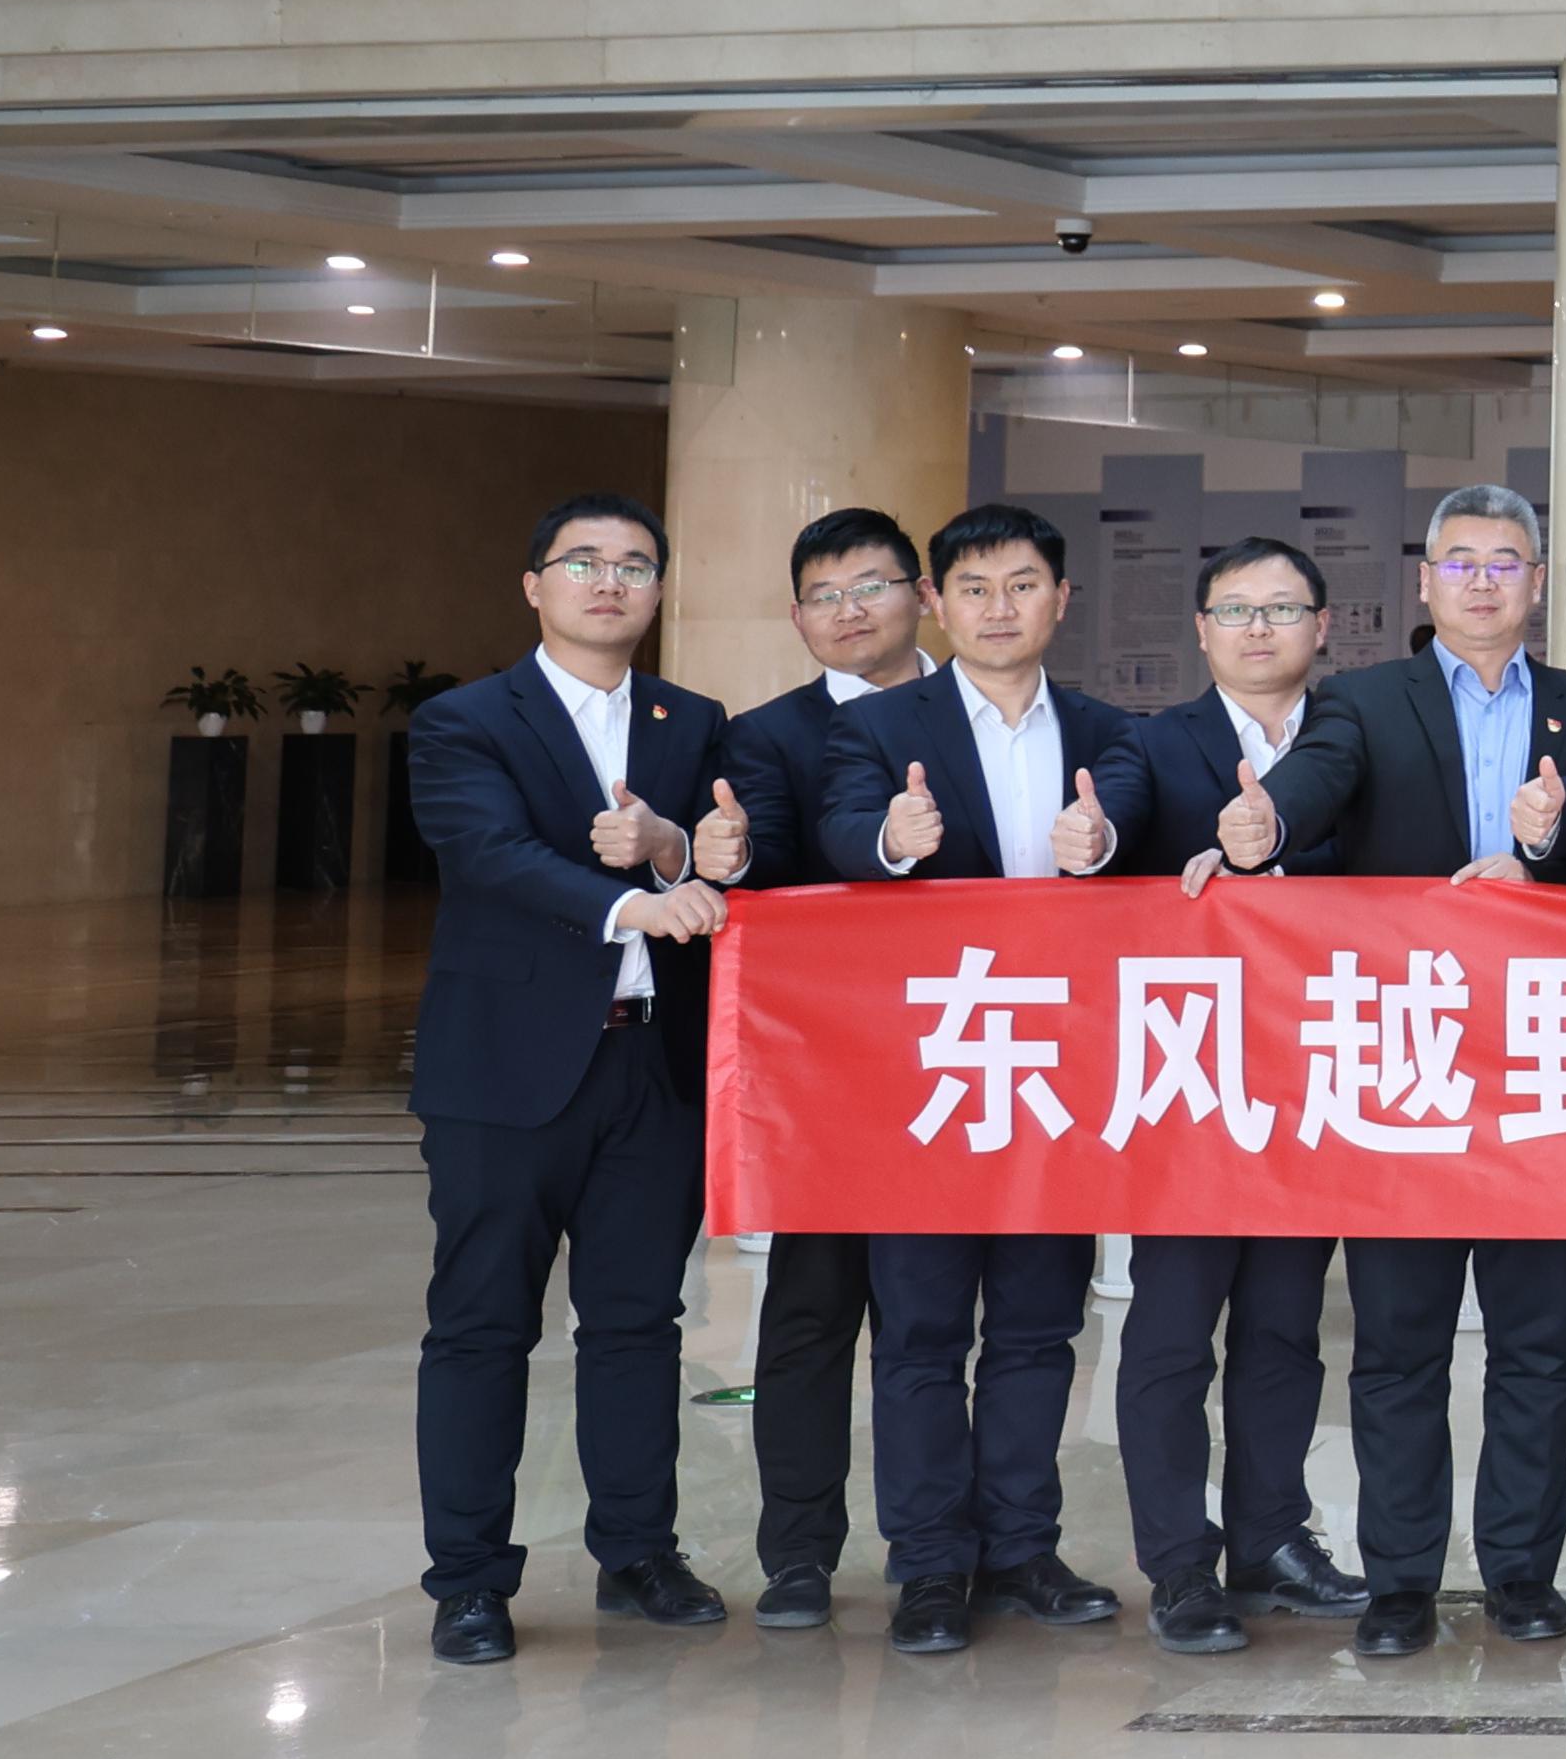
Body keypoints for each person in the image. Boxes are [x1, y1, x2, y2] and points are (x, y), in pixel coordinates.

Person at [403, 492, 747, 1664]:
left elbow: (727, 854)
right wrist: (630, 904)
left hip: (652, 1063)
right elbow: (490, 855)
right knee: (482, 1324)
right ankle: (467, 1580)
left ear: (659, 589)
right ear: (534, 584)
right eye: (584, 561)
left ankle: (638, 1551)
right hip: (504, 1070)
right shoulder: (464, 721)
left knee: (639, 1324)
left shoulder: (692, 720)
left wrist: (676, 850)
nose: (610, 582)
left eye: (635, 565)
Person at [823, 501, 1157, 1658]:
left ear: (1061, 599)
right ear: (935, 603)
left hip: (1055, 1076)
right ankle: (928, 1564)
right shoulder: (878, 728)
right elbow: (839, 832)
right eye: (973, 587)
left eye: (1022, 584)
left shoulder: (1110, 733)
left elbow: (1136, 833)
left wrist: (1099, 847)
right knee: (919, 1330)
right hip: (927, 1073)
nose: (999, 607)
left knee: (1037, 1324)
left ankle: (1020, 1548)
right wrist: (893, 840)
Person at [1312, 482, 1566, 1660]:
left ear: (1537, 582)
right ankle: (1400, 1579)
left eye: (1506, 561)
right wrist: (1260, 832)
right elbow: (1311, 798)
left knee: (1539, 1341)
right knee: (1398, 1341)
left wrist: (1541, 862)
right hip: (1409, 1065)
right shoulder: (1356, 702)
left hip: (1544, 1067)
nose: (1483, 581)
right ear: (1425, 580)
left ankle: (1520, 1571)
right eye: (1461, 560)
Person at [1107, 538, 1374, 1652]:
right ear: (1201, 628)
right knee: (1173, 1331)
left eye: (1281, 608)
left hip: (1314, 1075)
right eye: (1235, 609)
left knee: (1284, 1327)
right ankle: (1180, 1563)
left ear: (1323, 625)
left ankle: (1270, 1538)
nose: (1258, 628)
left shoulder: (1358, 736)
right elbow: (1111, 840)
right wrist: (1092, 843)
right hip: (1191, 1081)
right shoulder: (1150, 743)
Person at [710, 502, 925, 1634]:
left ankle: (939, 1551)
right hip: (832, 1081)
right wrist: (724, 858)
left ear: (920, 596)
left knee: (934, 1327)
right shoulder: (764, 739)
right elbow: (762, 881)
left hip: (973, 1064)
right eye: (824, 597)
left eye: (871, 586)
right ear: (798, 619)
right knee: (810, 1316)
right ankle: (797, 1552)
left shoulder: (983, 711)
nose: (849, 612)